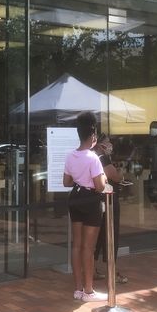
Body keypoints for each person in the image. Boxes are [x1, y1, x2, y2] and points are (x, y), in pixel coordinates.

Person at [63, 112, 108, 302]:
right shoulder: (93, 158)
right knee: (88, 248)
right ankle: (89, 291)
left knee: (77, 245)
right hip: (90, 199)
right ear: (93, 136)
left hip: (75, 198)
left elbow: (66, 182)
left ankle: (78, 289)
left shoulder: (70, 156)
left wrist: (79, 177)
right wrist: (104, 177)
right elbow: (100, 186)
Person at [93, 134, 128, 284]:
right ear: (100, 145)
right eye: (107, 142)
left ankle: (92, 268)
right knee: (110, 235)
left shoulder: (91, 157)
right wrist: (121, 172)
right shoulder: (102, 158)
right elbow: (114, 176)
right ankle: (112, 270)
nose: (110, 145)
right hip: (107, 200)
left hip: (96, 201)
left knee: (97, 236)